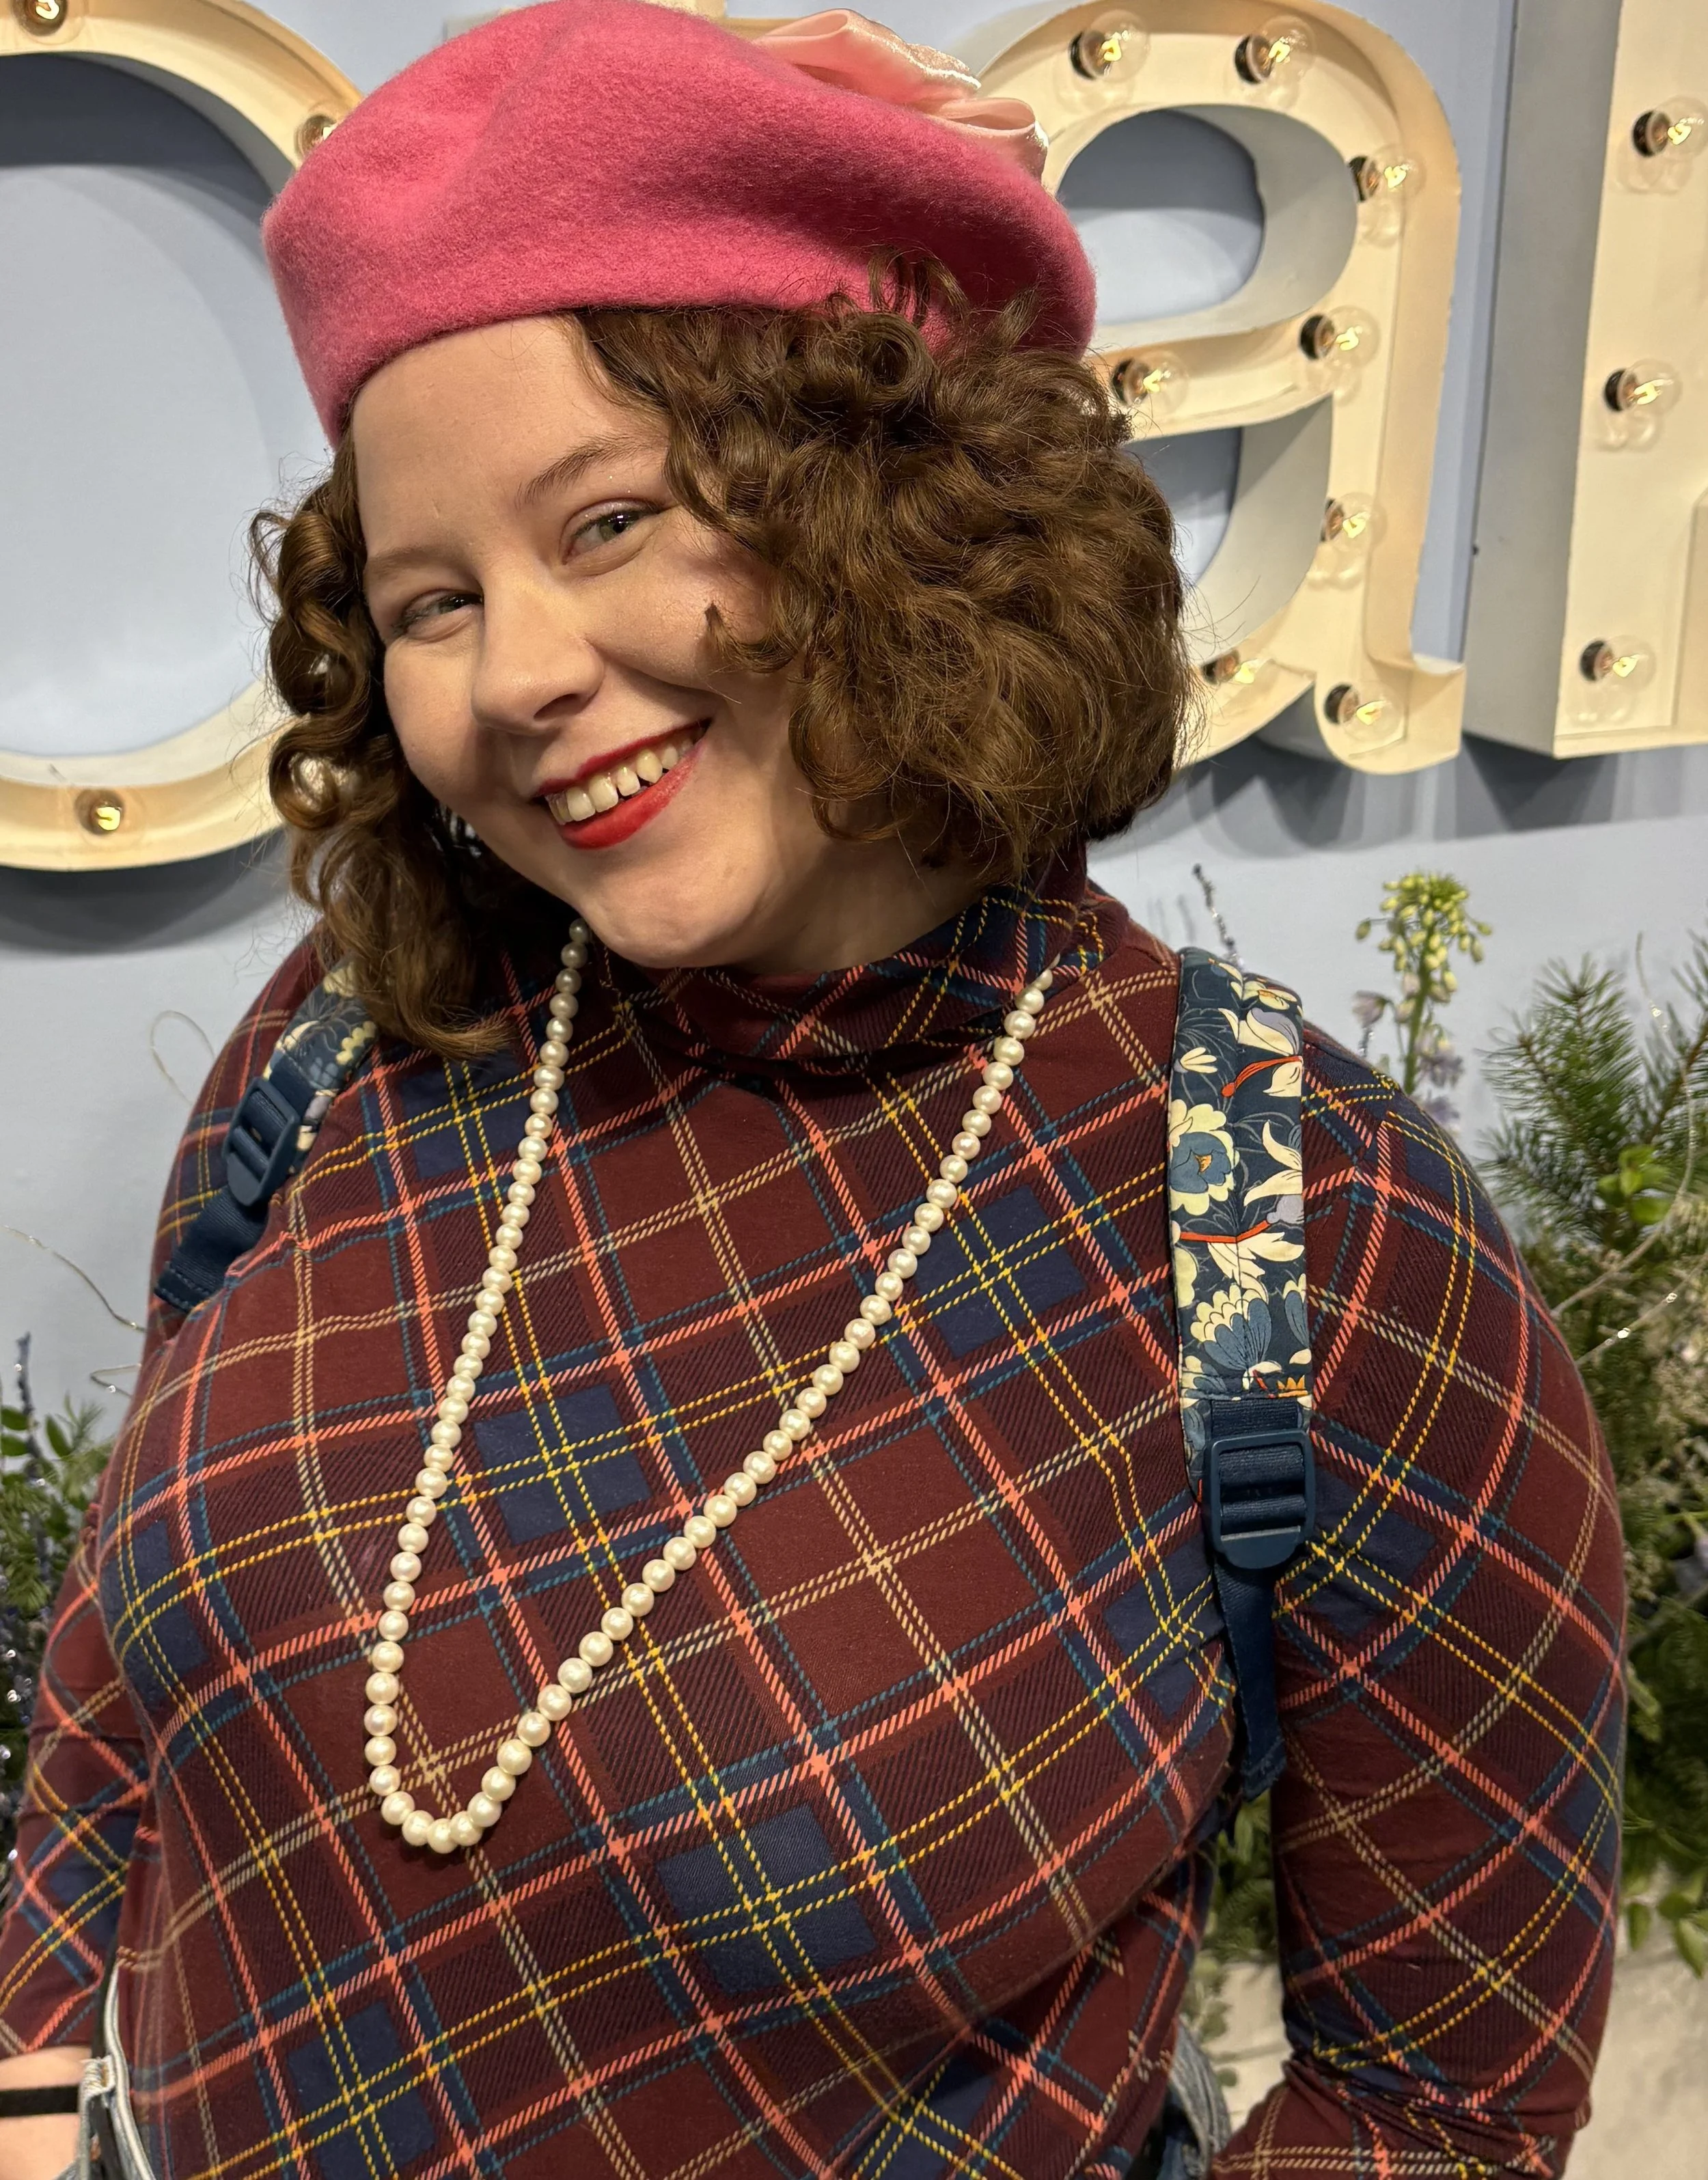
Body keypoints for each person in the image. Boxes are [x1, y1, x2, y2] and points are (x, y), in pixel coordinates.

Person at [0, 4, 1625, 2175]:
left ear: (900, 505)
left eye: (607, 519)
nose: (517, 673)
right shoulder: (360, 1031)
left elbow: (1439, 2098)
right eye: (430, 598)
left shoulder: (1302, 1231)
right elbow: (130, 1653)